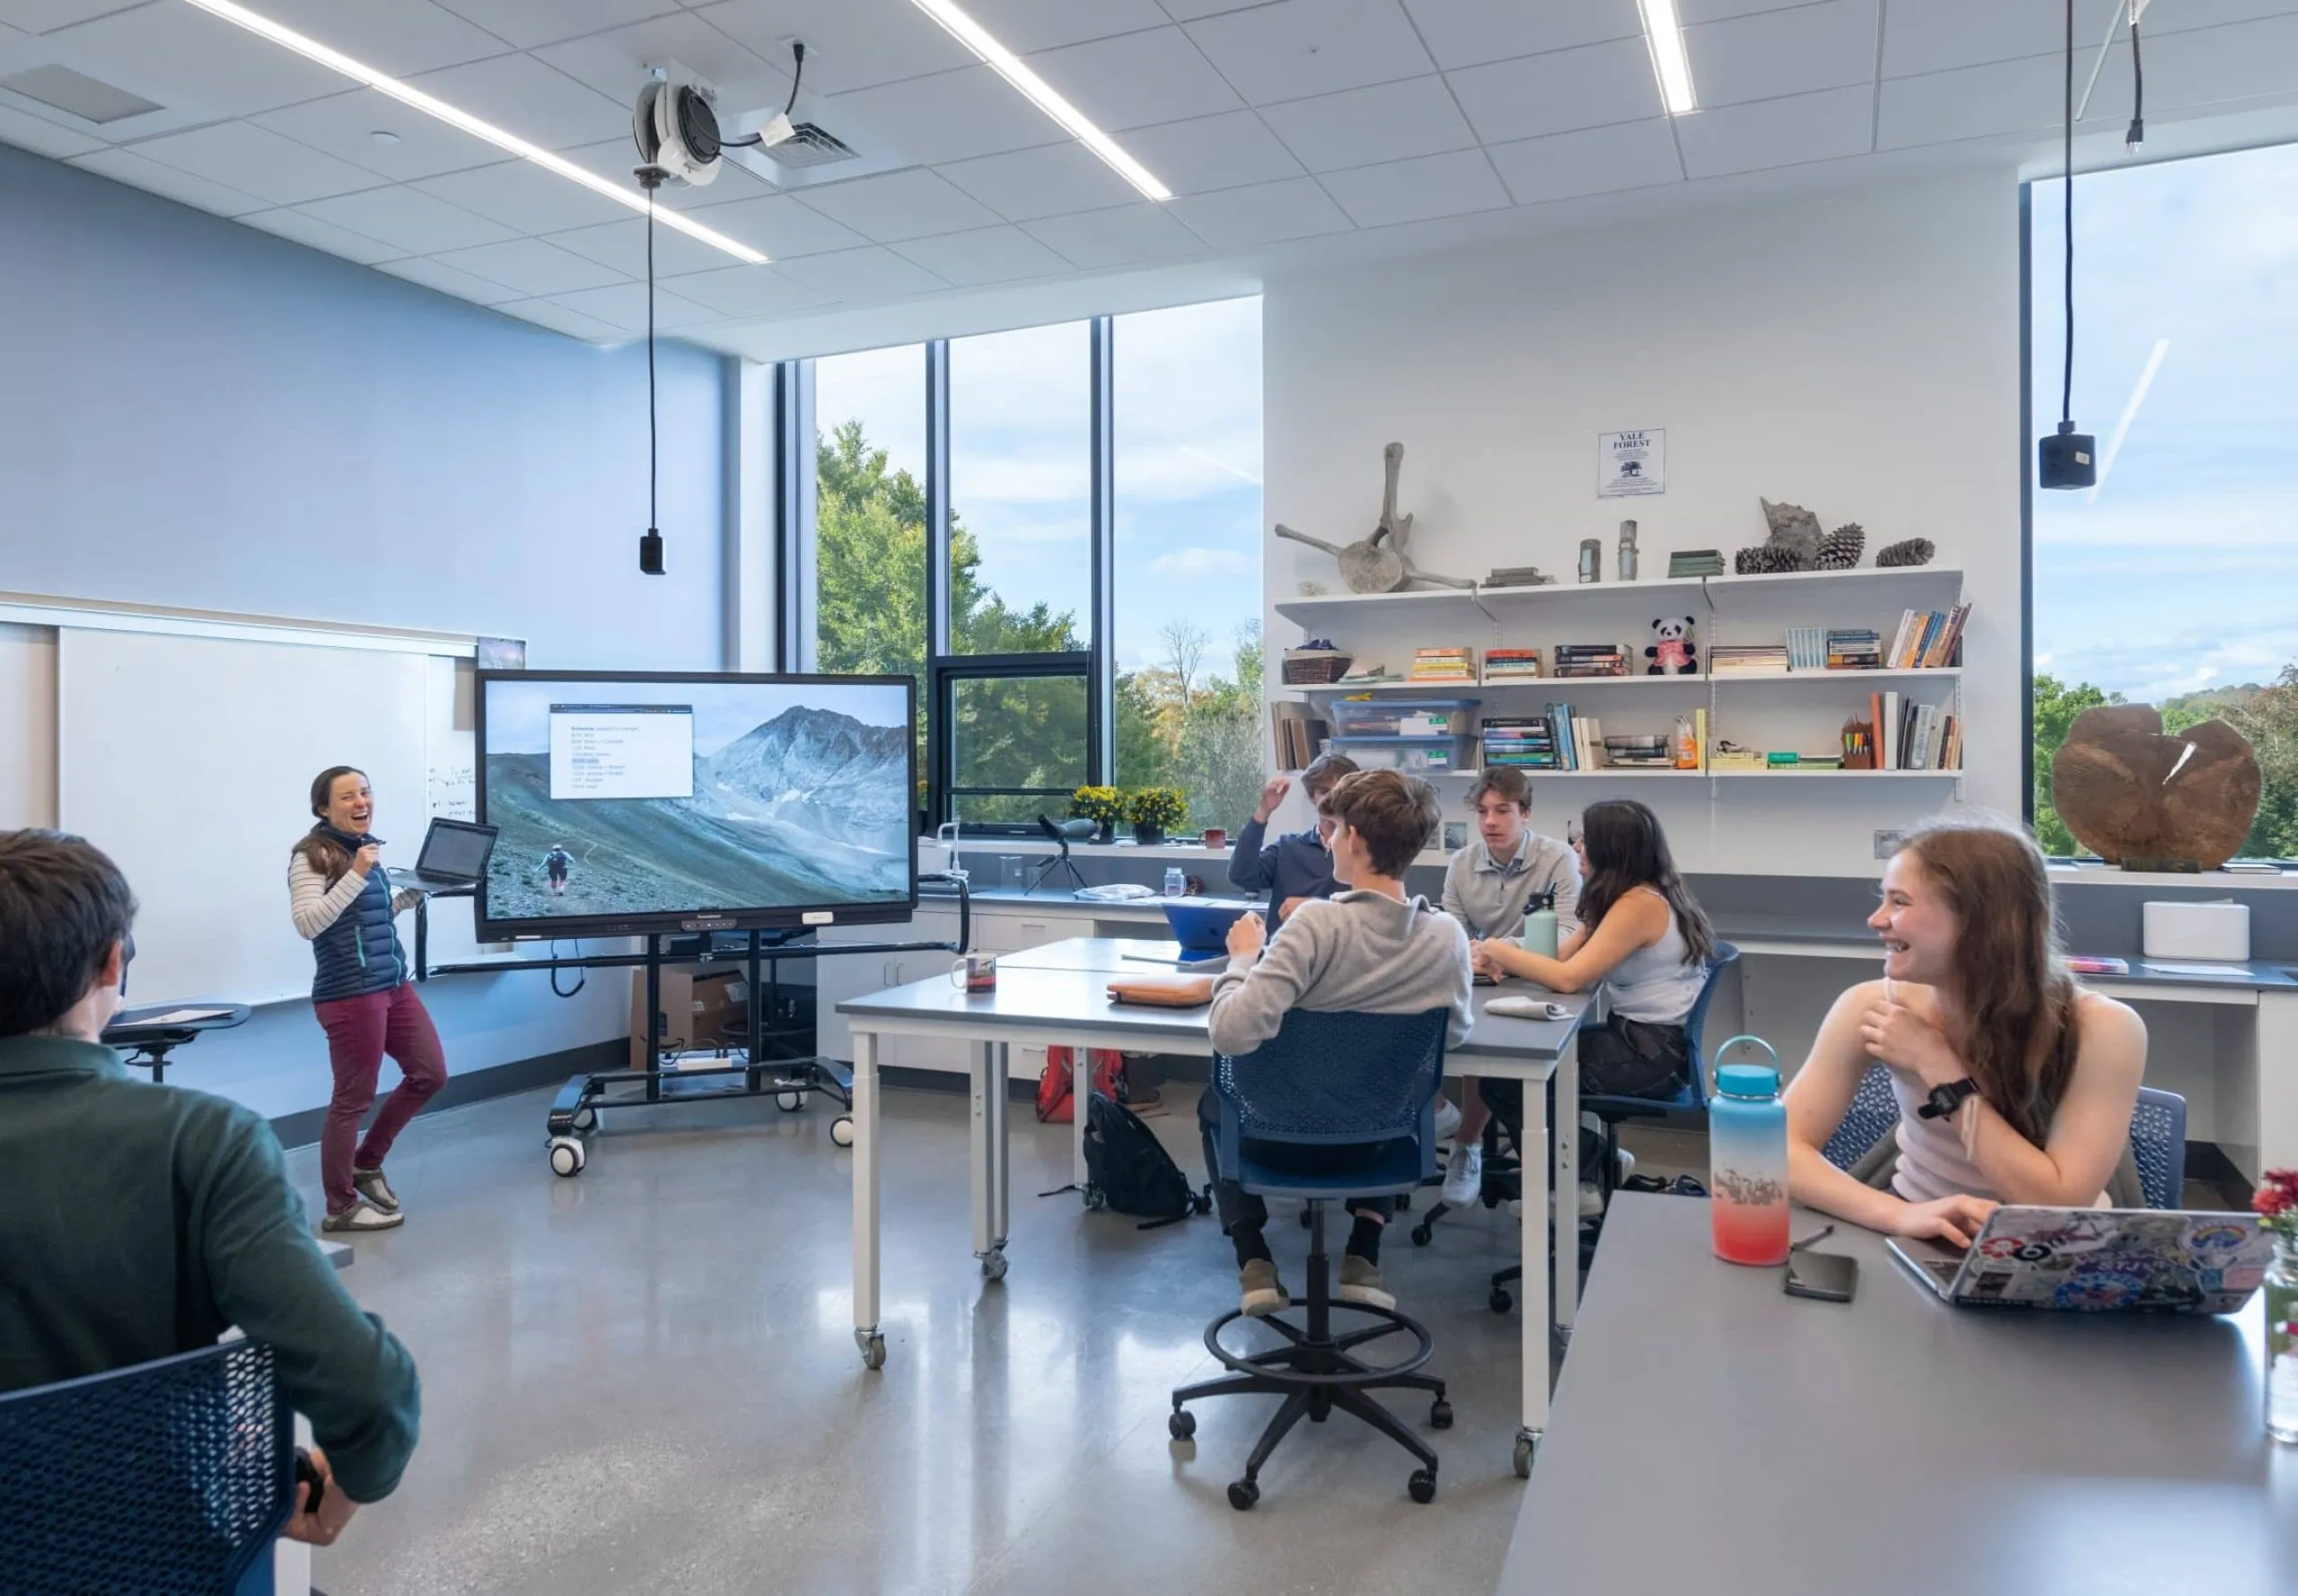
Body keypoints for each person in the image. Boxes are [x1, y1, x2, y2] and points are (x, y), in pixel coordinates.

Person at [0, 829, 421, 1548]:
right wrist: (343, 1489)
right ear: (113, 964)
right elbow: (368, 1395)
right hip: (148, 1554)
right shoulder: (205, 1143)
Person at [1785, 820, 2146, 1247]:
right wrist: (1902, 1215)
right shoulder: (1872, 1006)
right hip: (1922, 1236)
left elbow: (2055, 1204)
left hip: (2055, 1250)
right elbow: (1776, 1151)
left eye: (1899, 902)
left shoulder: (2104, 1029)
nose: (1876, 919)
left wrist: (1941, 1070)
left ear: (1977, 922)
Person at [1201, 770, 1473, 1317]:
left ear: (1353, 839)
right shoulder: (1446, 936)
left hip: (1277, 1137)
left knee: (1213, 1104)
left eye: (1335, 827)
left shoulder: (1314, 925)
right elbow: (1452, 1037)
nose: (1327, 838)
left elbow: (1231, 1032)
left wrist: (1241, 959)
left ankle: (1254, 1261)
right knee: (1385, 1080)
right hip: (1383, 1141)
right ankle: (1363, 1254)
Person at [1469, 799, 1715, 1215]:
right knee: (1526, 1068)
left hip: (1651, 1054)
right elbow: (1562, 958)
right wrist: (1503, 958)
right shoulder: (1626, 896)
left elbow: (1568, 979)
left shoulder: (1638, 905)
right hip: (1643, 1042)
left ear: (1611, 849)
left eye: (1586, 839)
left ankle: (1579, 1178)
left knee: (1506, 1082)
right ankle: (1597, 1165)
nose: (1578, 847)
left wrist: (1495, 947)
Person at [289, 767, 448, 1233]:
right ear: (324, 808)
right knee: (352, 1100)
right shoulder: (311, 857)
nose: (361, 802)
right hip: (350, 994)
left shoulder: (366, 851)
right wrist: (358, 874)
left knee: (431, 1074)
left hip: (392, 984)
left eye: (365, 792)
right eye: (347, 797)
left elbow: (368, 917)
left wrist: (410, 897)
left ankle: (366, 1162)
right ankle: (339, 1208)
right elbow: (308, 923)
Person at [1437, 767, 1582, 1205]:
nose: (1490, 822)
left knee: (1493, 1052)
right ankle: (1455, 1131)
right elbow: (1450, 933)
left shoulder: (1559, 860)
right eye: (1482, 811)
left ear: (1527, 813)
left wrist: (1502, 949)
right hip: (1482, 979)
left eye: (1503, 810)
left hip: (1544, 982)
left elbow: (1571, 935)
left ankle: (1471, 1145)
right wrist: (1478, 956)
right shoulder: (1461, 864)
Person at [1227, 751, 1359, 934]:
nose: (1333, 799)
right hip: (1281, 956)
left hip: (1335, 956)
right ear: (1312, 796)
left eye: (1340, 791)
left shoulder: (1365, 851)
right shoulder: (1287, 847)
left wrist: (1312, 908)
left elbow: (1372, 913)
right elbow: (1241, 875)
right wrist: (1263, 812)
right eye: (1324, 791)